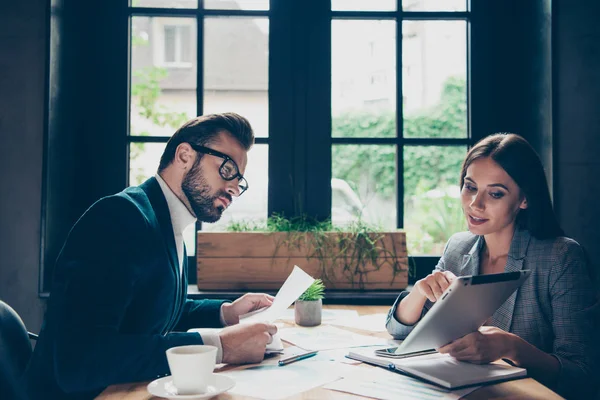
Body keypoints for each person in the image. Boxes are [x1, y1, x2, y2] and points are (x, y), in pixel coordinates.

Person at [24, 113, 278, 400]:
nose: (233, 187)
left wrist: (225, 312)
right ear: (184, 155)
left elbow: (152, 309)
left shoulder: (166, 222)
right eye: (227, 169)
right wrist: (218, 346)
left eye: (239, 180)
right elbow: (79, 362)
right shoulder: (118, 219)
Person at [386, 133, 599, 399]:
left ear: (524, 199)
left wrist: (511, 347)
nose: (475, 204)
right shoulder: (458, 247)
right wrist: (419, 292)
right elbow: (399, 332)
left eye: (495, 193)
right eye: (470, 187)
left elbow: (584, 375)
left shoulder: (561, 257)